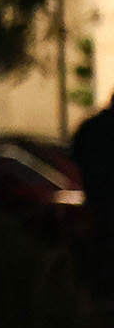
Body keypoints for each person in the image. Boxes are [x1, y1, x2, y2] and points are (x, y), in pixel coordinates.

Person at [69, 94, 114, 292]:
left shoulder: (90, 127)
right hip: (102, 198)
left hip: (95, 197)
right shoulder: (95, 128)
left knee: (99, 245)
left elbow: (74, 156)